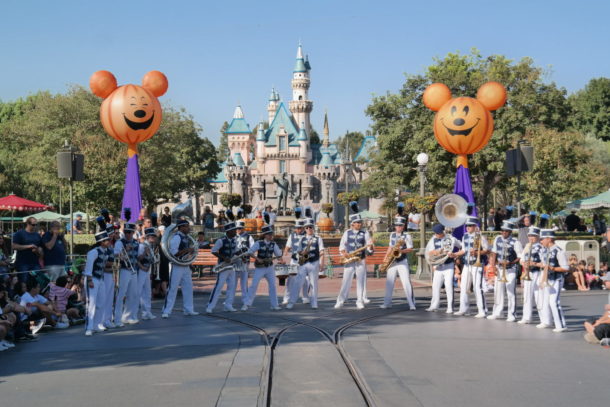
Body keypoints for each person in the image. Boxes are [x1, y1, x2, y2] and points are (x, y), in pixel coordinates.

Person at [335, 204, 374, 310]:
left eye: (360, 222)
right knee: (346, 281)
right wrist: (344, 254)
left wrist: (370, 247)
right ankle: (340, 300)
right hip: (349, 260)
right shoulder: (347, 233)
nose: (359, 224)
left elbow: (370, 247)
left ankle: (360, 301)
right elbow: (342, 246)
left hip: (361, 260)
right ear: (352, 224)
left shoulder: (365, 233)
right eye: (357, 222)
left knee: (360, 281)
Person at [161, 219, 199, 318]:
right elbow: (174, 254)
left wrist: (190, 256)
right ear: (181, 227)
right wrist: (187, 250)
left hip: (185, 266)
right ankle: (166, 310)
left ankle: (188, 309)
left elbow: (186, 253)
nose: (188, 228)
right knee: (173, 288)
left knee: (188, 288)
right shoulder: (177, 238)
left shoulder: (186, 237)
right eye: (186, 226)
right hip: (177, 266)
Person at [487, 221, 523, 322]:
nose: (503, 232)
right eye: (502, 230)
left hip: (510, 269)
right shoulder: (497, 239)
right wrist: (493, 266)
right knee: (498, 291)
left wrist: (510, 263)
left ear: (510, 232)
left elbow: (520, 256)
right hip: (499, 268)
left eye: (505, 231)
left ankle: (512, 314)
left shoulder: (516, 242)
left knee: (510, 291)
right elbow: (494, 252)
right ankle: (497, 312)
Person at [242, 225, 283, 311]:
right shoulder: (259, 243)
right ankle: (246, 304)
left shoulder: (273, 244)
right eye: (269, 234)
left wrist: (280, 259)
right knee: (254, 285)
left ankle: (274, 304)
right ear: (265, 235)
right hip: (260, 268)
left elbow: (278, 255)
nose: (271, 236)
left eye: (271, 234)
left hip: (270, 267)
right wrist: (257, 258)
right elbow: (250, 252)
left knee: (273, 285)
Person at [454, 217, 489, 317]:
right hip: (467, 264)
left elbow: (487, 250)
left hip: (477, 264)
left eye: (470, 226)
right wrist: (455, 254)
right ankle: (463, 308)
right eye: (466, 226)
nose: (467, 228)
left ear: (474, 226)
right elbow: (464, 250)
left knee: (477, 287)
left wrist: (477, 252)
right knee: (464, 286)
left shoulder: (480, 236)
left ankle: (482, 310)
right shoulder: (465, 236)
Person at [381, 214, 416, 310]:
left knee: (406, 282)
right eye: (396, 225)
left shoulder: (407, 235)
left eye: (400, 225)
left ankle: (411, 303)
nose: (398, 227)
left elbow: (410, 249)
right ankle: (387, 303)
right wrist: (385, 259)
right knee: (389, 283)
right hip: (392, 261)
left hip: (402, 261)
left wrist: (401, 251)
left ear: (403, 226)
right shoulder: (392, 234)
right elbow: (390, 247)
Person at [537, 229, 569, 332]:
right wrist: (543, 280)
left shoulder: (559, 251)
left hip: (557, 279)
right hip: (549, 279)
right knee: (549, 302)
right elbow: (545, 266)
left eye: (543, 239)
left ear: (549, 239)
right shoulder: (545, 250)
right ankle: (555, 323)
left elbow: (565, 268)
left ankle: (561, 325)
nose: (541, 241)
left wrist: (553, 268)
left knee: (554, 302)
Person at [425, 224, 461, 314]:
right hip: (438, 266)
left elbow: (461, 245)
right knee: (435, 287)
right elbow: (429, 252)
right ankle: (434, 306)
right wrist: (438, 251)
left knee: (448, 286)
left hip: (448, 265)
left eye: (438, 233)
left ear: (442, 232)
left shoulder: (450, 238)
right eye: (436, 233)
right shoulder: (433, 239)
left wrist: (457, 255)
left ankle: (450, 307)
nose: (437, 235)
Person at [289, 218, 324, 309]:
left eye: (311, 227)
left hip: (314, 263)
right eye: (307, 227)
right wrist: (302, 253)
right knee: (297, 282)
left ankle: (314, 303)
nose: (309, 229)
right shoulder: (302, 239)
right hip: (303, 263)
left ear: (313, 228)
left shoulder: (318, 238)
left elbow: (321, 252)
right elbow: (298, 251)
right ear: (305, 229)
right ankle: (291, 302)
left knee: (313, 283)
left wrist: (322, 263)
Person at [83, 231, 112, 336]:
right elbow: (88, 267)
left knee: (101, 302)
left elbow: (103, 265)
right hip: (93, 279)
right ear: (101, 242)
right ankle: (89, 327)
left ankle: (97, 324)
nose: (109, 241)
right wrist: (90, 280)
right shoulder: (93, 252)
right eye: (106, 240)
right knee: (91, 304)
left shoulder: (105, 252)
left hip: (100, 279)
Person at [207, 222, 239, 313]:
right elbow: (213, 251)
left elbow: (235, 251)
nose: (235, 232)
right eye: (233, 230)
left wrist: (241, 253)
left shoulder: (234, 240)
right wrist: (224, 258)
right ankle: (210, 306)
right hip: (223, 266)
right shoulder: (221, 240)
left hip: (231, 266)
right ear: (228, 231)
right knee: (219, 286)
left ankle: (228, 305)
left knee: (232, 286)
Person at [113, 222, 140, 326]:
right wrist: (123, 253)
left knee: (132, 294)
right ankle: (117, 319)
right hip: (124, 270)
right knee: (121, 294)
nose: (127, 234)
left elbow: (137, 257)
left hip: (133, 270)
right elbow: (115, 254)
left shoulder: (136, 243)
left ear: (133, 233)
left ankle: (127, 316)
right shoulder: (120, 242)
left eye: (129, 232)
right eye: (126, 232)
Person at [518, 226, 544, 324]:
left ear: (537, 237)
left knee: (539, 296)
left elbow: (544, 262)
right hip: (528, 273)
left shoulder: (541, 247)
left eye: (533, 236)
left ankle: (543, 319)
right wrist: (523, 263)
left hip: (538, 273)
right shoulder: (527, 246)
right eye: (529, 236)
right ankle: (527, 317)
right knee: (527, 295)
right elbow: (521, 259)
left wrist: (534, 263)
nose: (531, 238)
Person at [12, 217, 43, 283]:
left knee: (36, 282)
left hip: (35, 263)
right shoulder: (20, 233)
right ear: (28, 224)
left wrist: (37, 250)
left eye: (36, 225)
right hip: (22, 263)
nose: (35, 226)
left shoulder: (37, 235)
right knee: (24, 283)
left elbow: (40, 248)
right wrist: (29, 246)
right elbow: (14, 246)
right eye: (33, 225)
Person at [136, 227, 158, 320]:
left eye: (154, 236)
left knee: (147, 293)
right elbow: (137, 259)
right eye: (151, 236)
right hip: (141, 271)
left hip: (147, 271)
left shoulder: (150, 246)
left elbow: (152, 260)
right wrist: (145, 253)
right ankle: (133, 313)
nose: (153, 238)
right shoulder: (142, 246)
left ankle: (147, 313)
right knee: (139, 292)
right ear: (147, 237)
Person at [282, 218, 305, 306]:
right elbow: (287, 247)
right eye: (297, 228)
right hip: (294, 261)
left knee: (306, 281)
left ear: (303, 228)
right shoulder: (291, 236)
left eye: (300, 228)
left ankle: (305, 297)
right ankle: (286, 298)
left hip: (304, 262)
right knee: (290, 280)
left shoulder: (307, 235)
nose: (298, 230)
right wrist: (284, 255)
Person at [233, 220, 254, 307]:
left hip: (244, 262)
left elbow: (253, 248)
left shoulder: (249, 237)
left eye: (240, 228)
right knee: (232, 282)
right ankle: (230, 299)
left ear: (243, 228)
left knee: (244, 282)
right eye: (237, 228)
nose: (238, 230)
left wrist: (247, 253)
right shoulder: (233, 237)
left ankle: (245, 299)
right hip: (234, 262)